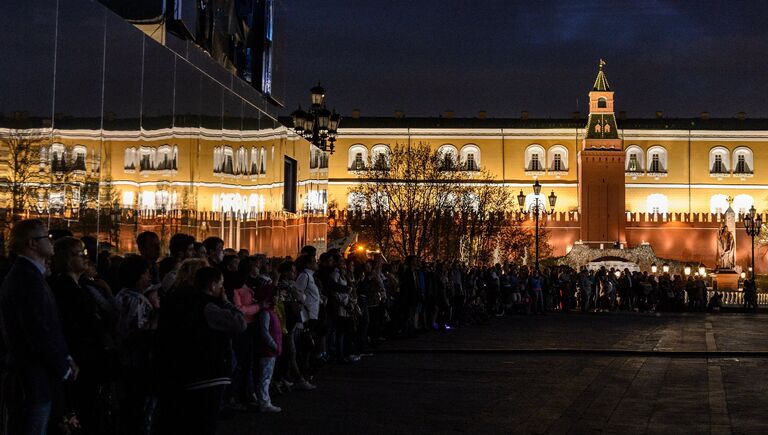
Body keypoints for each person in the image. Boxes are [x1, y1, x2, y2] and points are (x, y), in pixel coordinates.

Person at [0, 219, 78, 435]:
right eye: (47, 237)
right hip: (33, 381)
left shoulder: (30, 275)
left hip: (36, 378)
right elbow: (38, 331)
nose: (51, 242)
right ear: (32, 243)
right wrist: (62, 366)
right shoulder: (26, 278)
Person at [158, 267, 246, 434]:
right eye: (221, 285)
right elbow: (239, 324)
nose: (222, 289)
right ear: (212, 285)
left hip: (193, 370)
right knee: (206, 421)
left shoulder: (185, 302)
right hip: (210, 371)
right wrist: (227, 303)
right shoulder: (209, 306)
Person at [49, 237, 117, 434]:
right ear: (69, 259)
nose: (86, 258)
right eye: (81, 254)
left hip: (90, 359)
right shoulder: (65, 288)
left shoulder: (83, 287)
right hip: (81, 360)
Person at [114, 256, 158, 435]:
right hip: (138, 362)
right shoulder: (137, 301)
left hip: (126, 360)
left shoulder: (122, 295)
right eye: (146, 274)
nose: (149, 278)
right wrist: (156, 316)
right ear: (139, 276)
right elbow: (141, 333)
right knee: (139, 409)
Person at [254, 285, 283, 412]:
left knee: (266, 376)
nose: (277, 298)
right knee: (265, 377)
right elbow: (264, 331)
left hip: (272, 349)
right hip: (268, 349)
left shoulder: (271, 311)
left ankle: (264, 400)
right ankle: (264, 402)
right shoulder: (266, 313)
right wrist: (273, 344)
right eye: (275, 295)